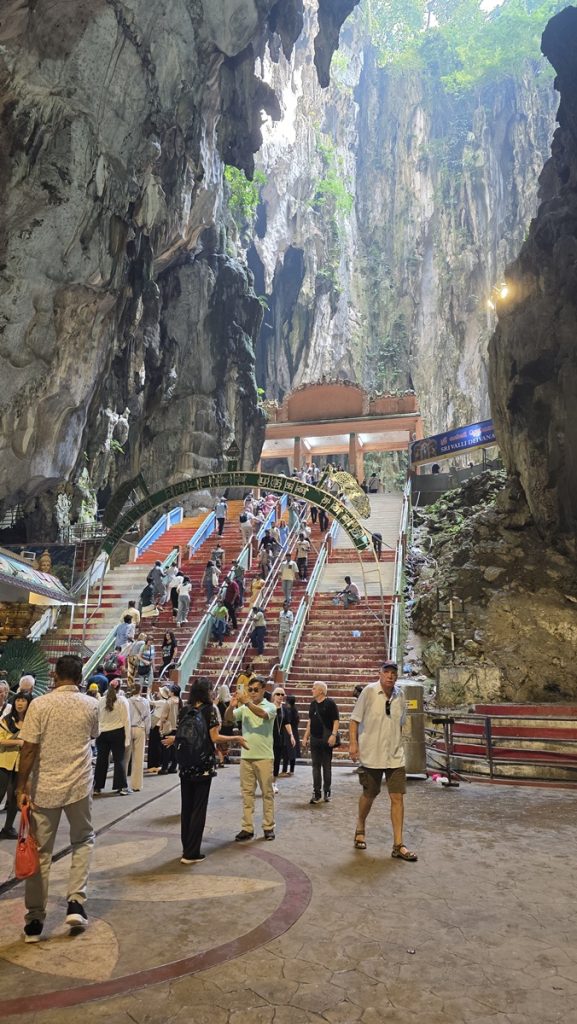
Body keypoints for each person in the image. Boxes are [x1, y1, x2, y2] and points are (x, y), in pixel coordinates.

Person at [16, 654, 99, 942]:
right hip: (79, 785)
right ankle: (76, 902)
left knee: (40, 852)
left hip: (45, 788)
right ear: (79, 678)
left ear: (54, 676)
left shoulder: (39, 704)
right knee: (83, 840)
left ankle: (35, 921)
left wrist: (21, 786)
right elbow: (92, 735)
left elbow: (28, 749)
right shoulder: (91, 704)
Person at [162, 677, 248, 864]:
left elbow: (182, 734)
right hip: (203, 766)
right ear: (207, 692)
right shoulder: (211, 710)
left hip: (185, 765)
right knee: (199, 809)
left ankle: (186, 847)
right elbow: (215, 738)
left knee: (187, 807)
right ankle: (192, 853)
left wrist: (174, 741)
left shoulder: (185, 709)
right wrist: (236, 739)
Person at [349, 660, 417, 861]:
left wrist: (405, 740)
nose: (390, 676)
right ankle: (360, 825)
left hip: (395, 755)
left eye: (393, 673)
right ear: (380, 674)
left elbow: (403, 721)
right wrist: (353, 744)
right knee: (369, 794)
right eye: (386, 672)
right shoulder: (369, 692)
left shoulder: (400, 694)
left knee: (397, 797)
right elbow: (354, 720)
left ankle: (398, 844)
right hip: (372, 754)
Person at [225, 677, 276, 841]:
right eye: (250, 689)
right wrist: (231, 706)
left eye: (255, 689)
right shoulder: (245, 707)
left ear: (263, 690)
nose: (252, 692)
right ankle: (247, 828)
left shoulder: (270, 706)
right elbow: (229, 719)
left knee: (267, 794)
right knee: (247, 794)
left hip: (264, 757)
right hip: (246, 757)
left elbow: (262, 715)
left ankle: (268, 827)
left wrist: (246, 702)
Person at [0, 692, 32, 839]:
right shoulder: (6, 720)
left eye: (23, 700)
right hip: (4, 762)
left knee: (14, 797)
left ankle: (8, 828)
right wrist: (18, 742)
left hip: (22, 765)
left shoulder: (33, 722)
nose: (20, 703)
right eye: (18, 700)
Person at [303, 682, 340, 804]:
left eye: (313, 688)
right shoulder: (312, 704)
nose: (311, 690)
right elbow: (310, 721)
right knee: (315, 767)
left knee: (326, 766)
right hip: (315, 738)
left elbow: (336, 720)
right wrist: (305, 737)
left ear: (321, 691)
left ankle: (327, 791)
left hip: (326, 739)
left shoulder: (330, 703)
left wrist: (333, 735)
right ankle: (316, 792)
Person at [94, 681, 131, 795]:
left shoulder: (101, 701)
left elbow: (97, 717)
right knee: (118, 759)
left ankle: (97, 787)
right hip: (117, 732)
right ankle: (121, 787)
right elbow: (126, 720)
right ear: (119, 688)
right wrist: (127, 738)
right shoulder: (122, 701)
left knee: (101, 760)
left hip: (102, 733)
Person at [127, 683, 151, 792]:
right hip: (140, 728)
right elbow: (147, 718)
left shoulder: (127, 701)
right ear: (140, 690)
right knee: (139, 758)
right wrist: (147, 730)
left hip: (129, 729)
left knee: (126, 757)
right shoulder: (145, 701)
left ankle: (123, 784)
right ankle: (136, 785)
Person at [271, 687, 295, 784]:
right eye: (278, 694)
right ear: (273, 695)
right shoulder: (269, 707)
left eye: (282, 694)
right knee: (268, 762)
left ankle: (273, 783)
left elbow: (287, 723)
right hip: (268, 738)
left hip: (279, 738)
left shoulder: (284, 709)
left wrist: (291, 735)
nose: (280, 696)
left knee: (277, 761)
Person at [158, 685, 181, 774]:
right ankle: (173, 767)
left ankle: (164, 768)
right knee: (175, 749)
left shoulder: (169, 702)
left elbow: (163, 717)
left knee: (166, 749)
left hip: (168, 727)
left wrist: (161, 726)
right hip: (177, 727)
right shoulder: (180, 701)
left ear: (172, 692)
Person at [281, 695, 300, 775]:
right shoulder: (295, 710)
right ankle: (291, 770)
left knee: (286, 752)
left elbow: (285, 722)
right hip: (294, 732)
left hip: (288, 732)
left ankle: (284, 770)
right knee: (292, 752)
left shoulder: (287, 710)